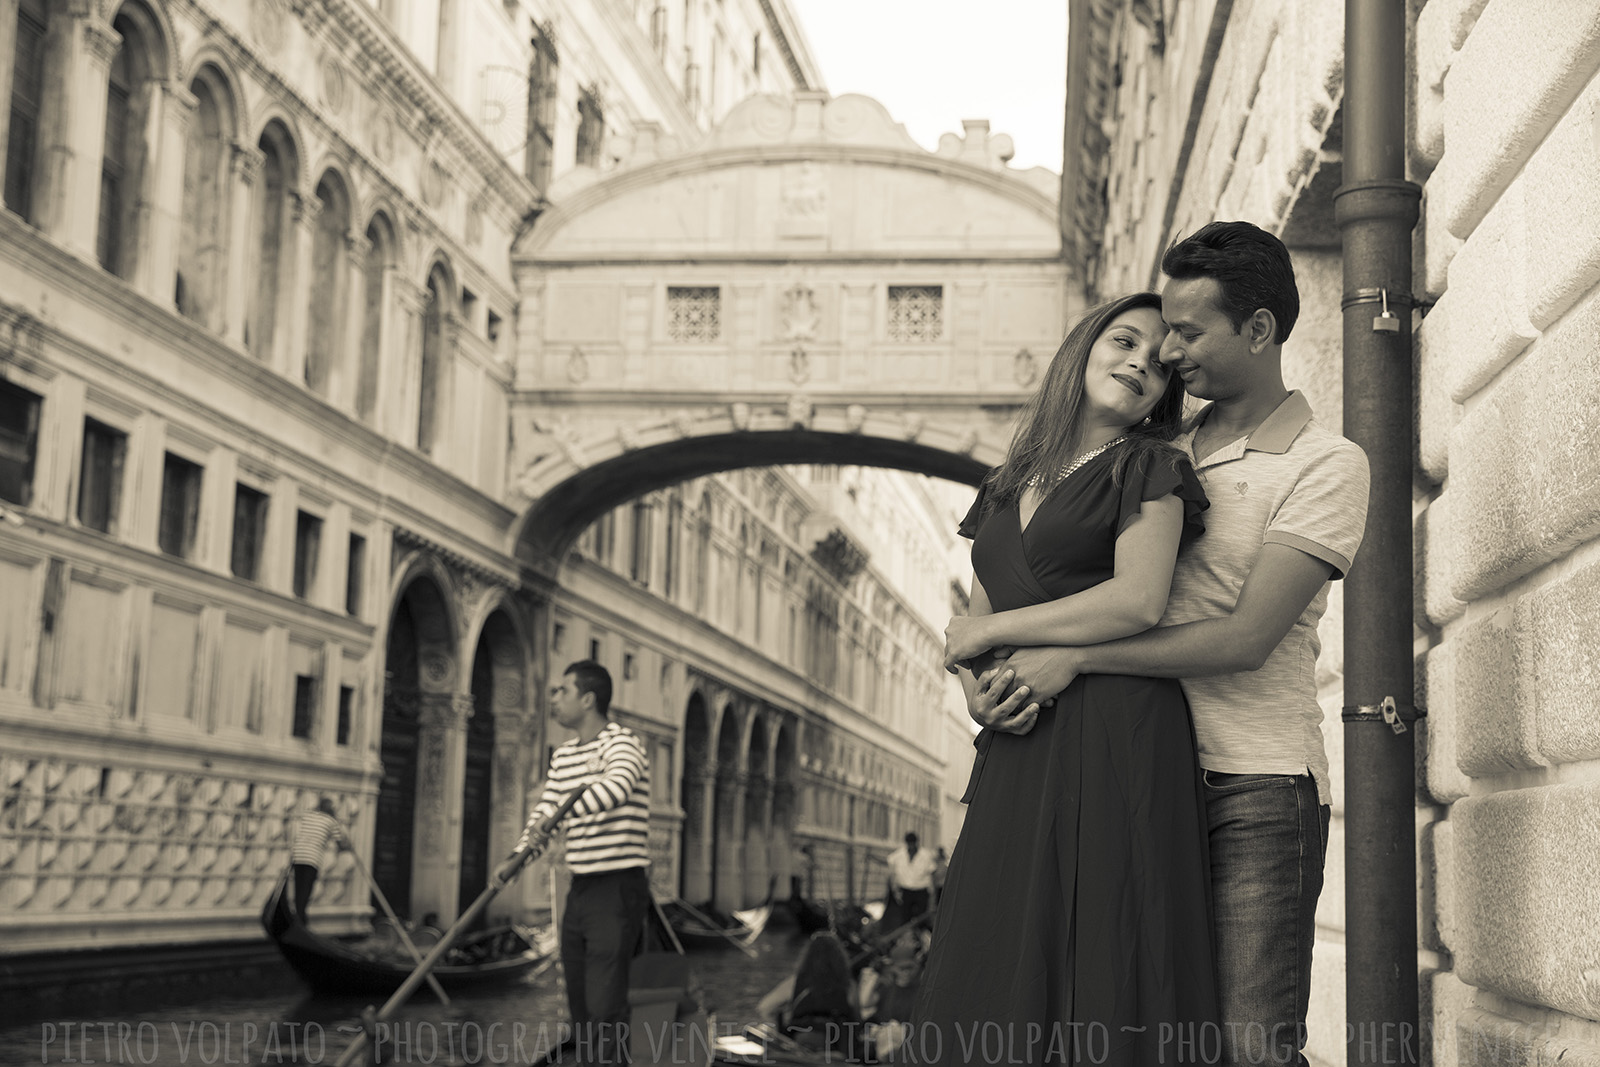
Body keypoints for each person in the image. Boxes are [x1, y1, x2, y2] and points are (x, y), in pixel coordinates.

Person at [983, 222, 1371, 1066]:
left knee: (1249, 1043)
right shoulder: (1150, 453)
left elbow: (1244, 637)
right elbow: (1063, 586)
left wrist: (1075, 658)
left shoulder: (1326, 463)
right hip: (1130, 774)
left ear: (1259, 330)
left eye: (1188, 333)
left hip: (1256, 788)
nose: (1169, 351)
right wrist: (992, 672)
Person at [913, 291, 1216, 1065]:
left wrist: (993, 633)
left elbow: (1138, 600)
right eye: (1124, 341)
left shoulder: (1151, 464)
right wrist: (978, 690)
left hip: (1117, 729)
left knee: (1106, 944)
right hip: (1017, 738)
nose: (1140, 363)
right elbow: (970, 634)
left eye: (1158, 361)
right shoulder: (1006, 482)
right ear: (1083, 349)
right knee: (996, 941)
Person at [497, 659, 651, 1067]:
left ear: (587, 699)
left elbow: (616, 788)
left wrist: (559, 816)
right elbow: (545, 808)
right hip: (579, 887)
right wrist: (518, 855)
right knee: (580, 1001)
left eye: (561, 691)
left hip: (617, 886)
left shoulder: (624, 744)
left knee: (605, 1001)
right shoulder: (563, 755)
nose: (554, 699)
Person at [290, 797, 347, 920]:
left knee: (298, 888)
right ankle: (300, 919)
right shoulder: (331, 822)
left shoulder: (308, 815)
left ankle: (298, 917)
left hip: (297, 856)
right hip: (312, 858)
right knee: (306, 890)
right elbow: (341, 845)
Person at [882, 831, 936, 931]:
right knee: (905, 917)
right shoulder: (898, 855)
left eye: (913, 843)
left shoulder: (926, 855)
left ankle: (921, 936)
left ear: (916, 843)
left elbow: (932, 874)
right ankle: (907, 938)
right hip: (906, 891)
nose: (911, 846)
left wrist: (932, 894)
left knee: (921, 917)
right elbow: (889, 865)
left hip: (921, 891)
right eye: (909, 843)